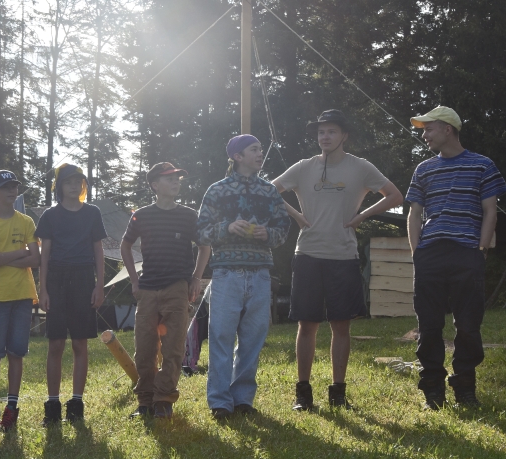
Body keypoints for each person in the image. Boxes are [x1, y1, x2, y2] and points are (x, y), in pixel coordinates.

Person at [272, 109, 403, 410]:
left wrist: (361, 216)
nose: (325, 137)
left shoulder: (361, 167)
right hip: (307, 254)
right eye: (321, 132)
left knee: (341, 325)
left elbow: (395, 196)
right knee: (307, 324)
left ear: (344, 135)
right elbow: (268, 190)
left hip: (343, 256)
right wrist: (297, 215)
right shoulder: (304, 167)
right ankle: (303, 394)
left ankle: (338, 392)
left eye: (331, 131)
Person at [406, 106, 506, 410]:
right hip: (430, 254)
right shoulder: (423, 169)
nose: (424, 135)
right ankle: (432, 390)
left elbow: (490, 211)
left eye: (429, 129)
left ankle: (465, 387)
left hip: (467, 254)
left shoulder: (482, 165)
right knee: (429, 325)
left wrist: (481, 250)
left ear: (447, 129)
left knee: (468, 325)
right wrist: (417, 253)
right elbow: (414, 214)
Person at [197, 135, 291, 419]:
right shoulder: (217, 190)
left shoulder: (269, 191)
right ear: (237, 157)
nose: (260, 153)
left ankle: (242, 399)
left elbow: (283, 229)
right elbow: (201, 232)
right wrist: (227, 228)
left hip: (261, 274)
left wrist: (268, 234)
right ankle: (220, 402)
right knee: (221, 337)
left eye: (260, 149)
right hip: (226, 274)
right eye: (254, 149)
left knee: (252, 340)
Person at [121, 162, 211, 420]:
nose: (175, 182)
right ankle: (145, 401)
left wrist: (196, 278)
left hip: (177, 288)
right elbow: (125, 246)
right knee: (144, 349)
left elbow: (205, 246)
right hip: (147, 289)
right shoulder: (141, 215)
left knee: (173, 348)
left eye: (177, 178)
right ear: (155, 185)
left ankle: (163, 400)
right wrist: (134, 281)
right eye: (169, 178)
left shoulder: (189, 215)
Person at [36, 163, 107, 425]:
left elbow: (98, 251)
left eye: (78, 181)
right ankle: (52, 404)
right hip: (56, 279)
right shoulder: (50, 215)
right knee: (56, 343)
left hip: (83, 279)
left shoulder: (92, 212)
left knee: (80, 342)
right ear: (59, 187)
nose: (74, 186)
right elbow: (44, 254)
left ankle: (76, 403)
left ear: (83, 185)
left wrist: (99, 286)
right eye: (68, 182)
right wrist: (42, 288)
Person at [0, 170, 40, 431]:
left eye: (14, 186)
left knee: (16, 353)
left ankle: (11, 409)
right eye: (5, 187)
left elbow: (36, 259)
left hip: (23, 295)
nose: (11, 191)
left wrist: (2, 257)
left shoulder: (26, 221)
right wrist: (20, 253)